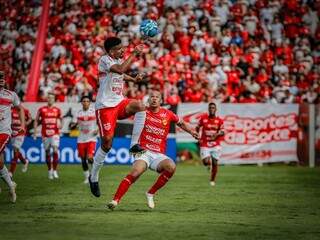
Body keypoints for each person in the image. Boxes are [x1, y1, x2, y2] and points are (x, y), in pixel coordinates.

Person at [107, 90, 199, 210]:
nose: (154, 99)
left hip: (158, 154)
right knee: (135, 173)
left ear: (161, 101)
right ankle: (115, 200)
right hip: (141, 150)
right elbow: (124, 110)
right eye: (152, 97)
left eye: (157, 97)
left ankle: (150, 193)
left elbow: (181, 123)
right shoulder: (142, 111)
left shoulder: (168, 114)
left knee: (171, 166)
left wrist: (192, 131)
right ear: (148, 99)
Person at [89, 36, 146, 197]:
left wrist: (133, 79)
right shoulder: (104, 60)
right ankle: (93, 177)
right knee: (107, 144)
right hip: (105, 107)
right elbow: (120, 70)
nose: (123, 50)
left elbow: (120, 75)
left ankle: (134, 145)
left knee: (141, 106)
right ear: (111, 51)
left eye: (123, 47)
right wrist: (134, 53)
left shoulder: (114, 62)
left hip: (119, 102)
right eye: (120, 49)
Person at [0, 71, 25, 203]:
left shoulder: (11, 95)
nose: (1, 79)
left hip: (4, 131)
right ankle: (11, 185)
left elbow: (20, 109)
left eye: (2, 77)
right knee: (0, 163)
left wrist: (22, 125)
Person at [33, 92, 63, 180]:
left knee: (55, 149)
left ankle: (55, 170)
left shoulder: (57, 110)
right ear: (47, 99)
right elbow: (36, 120)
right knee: (47, 152)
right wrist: (35, 132)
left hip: (55, 133)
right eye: (49, 98)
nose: (50, 99)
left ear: (54, 100)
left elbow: (61, 119)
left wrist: (61, 125)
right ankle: (49, 170)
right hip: (45, 134)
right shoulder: (41, 109)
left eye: (52, 98)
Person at [70, 95, 98, 184]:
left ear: (89, 103)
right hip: (81, 139)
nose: (85, 103)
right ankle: (87, 177)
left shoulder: (94, 112)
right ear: (81, 103)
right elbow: (72, 125)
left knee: (90, 158)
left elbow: (100, 122)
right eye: (84, 101)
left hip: (91, 138)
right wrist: (73, 125)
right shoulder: (78, 113)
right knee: (83, 159)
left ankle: (94, 175)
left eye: (87, 101)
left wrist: (97, 130)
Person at [195, 102, 224, 186]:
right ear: (208, 109)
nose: (212, 109)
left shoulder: (219, 120)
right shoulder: (203, 118)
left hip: (216, 144)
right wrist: (197, 136)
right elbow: (197, 127)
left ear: (216, 109)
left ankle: (212, 180)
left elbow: (222, 132)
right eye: (210, 108)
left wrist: (217, 134)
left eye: (213, 108)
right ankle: (208, 164)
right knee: (205, 162)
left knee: (215, 162)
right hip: (205, 143)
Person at [9, 105, 32, 177]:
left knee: (15, 149)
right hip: (12, 132)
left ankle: (11, 172)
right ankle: (25, 161)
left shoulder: (24, 110)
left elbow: (30, 119)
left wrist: (25, 124)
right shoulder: (10, 110)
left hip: (21, 133)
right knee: (16, 150)